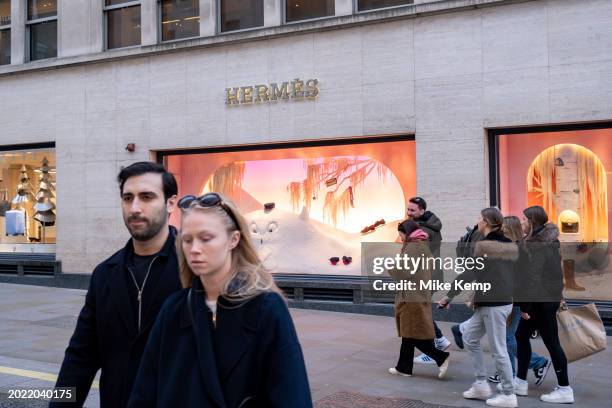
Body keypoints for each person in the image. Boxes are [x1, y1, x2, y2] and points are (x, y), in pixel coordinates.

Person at [128, 193, 312, 407]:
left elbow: (291, 394)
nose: (194, 249)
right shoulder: (173, 309)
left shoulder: (266, 308)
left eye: (206, 238)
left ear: (233, 239)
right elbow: (145, 391)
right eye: (187, 240)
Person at [51, 162, 182, 407]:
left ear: (170, 203)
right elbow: (81, 357)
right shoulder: (105, 274)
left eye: (146, 197)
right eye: (127, 198)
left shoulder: (196, 269)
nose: (135, 208)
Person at [439, 208, 518, 408]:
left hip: (495, 303)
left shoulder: (486, 245)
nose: (477, 223)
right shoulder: (508, 243)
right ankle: (481, 384)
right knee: (469, 337)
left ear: (486, 222)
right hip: (493, 301)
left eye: (479, 219)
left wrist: (449, 295)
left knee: (499, 349)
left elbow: (471, 272)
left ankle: (509, 394)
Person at [513, 206, 574, 403]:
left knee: (551, 342)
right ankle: (520, 381)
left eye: (524, 219)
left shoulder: (538, 245)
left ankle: (565, 389)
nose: (521, 222)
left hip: (541, 302)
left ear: (532, 222)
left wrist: (524, 307)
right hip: (545, 299)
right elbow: (555, 273)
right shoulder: (546, 241)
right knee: (521, 335)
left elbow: (532, 277)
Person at [487, 216, 550, 386]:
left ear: (510, 230)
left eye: (504, 229)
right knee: (506, 337)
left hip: (514, 301)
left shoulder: (519, 250)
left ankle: (538, 362)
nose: (500, 231)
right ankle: (508, 372)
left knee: (508, 338)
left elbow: (521, 279)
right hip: (508, 299)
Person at [387, 220, 450, 379]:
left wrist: (391, 267)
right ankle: (404, 367)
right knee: (409, 334)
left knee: (413, 333)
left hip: (412, 296)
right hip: (415, 294)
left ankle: (441, 357)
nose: (400, 237)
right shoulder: (420, 245)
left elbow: (403, 271)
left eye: (400, 234)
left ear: (406, 233)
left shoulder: (414, 247)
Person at [405, 196, 451, 365]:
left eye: (412, 210)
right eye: (408, 209)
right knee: (420, 309)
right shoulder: (431, 223)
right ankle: (439, 341)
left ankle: (433, 349)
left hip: (427, 276)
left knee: (419, 311)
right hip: (430, 275)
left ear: (422, 211)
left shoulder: (423, 230)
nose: (408, 213)